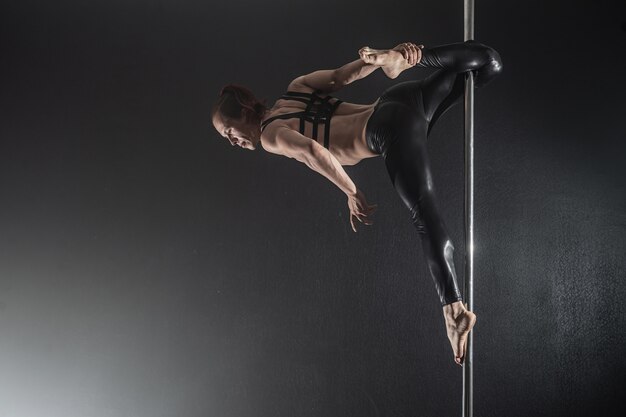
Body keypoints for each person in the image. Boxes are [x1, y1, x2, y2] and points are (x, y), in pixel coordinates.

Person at [211, 41, 503, 366]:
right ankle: (409, 57)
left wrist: (351, 190)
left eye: (228, 132)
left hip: (386, 130)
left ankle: (454, 311)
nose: (232, 140)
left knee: (424, 214)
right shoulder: (295, 89)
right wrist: (377, 62)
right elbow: (341, 77)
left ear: (242, 114)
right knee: (488, 63)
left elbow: (312, 153)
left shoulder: (270, 135)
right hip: (397, 99)